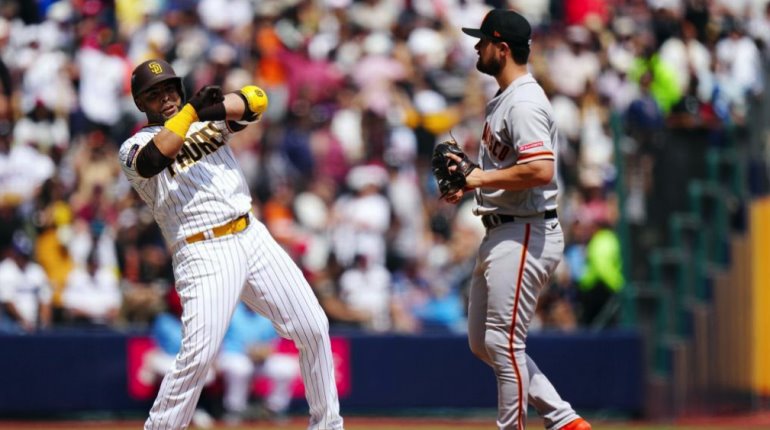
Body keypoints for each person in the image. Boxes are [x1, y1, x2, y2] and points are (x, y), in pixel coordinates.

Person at [119, 59, 343, 430]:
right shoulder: (135, 144)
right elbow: (154, 159)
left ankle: (328, 426)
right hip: (202, 248)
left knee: (313, 326)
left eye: (170, 88)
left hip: (250, 233)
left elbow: (257, 101)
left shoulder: (204, 120)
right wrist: (191, 111)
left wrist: (215, 106)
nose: (166, 97)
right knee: (199, 354)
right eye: (154, 94)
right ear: (141, 104)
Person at [444, 10, 591, 430]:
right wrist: (474, 181)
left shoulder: (524, 101)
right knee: (482, 342)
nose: (476, 46)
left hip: (526, 229)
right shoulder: (508, 97)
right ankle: (564, 420)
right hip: (504, 227)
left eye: (482, 41)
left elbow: (541, 169)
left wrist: (481, 177)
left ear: (502, 48)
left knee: (503, 343)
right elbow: (515, 167)